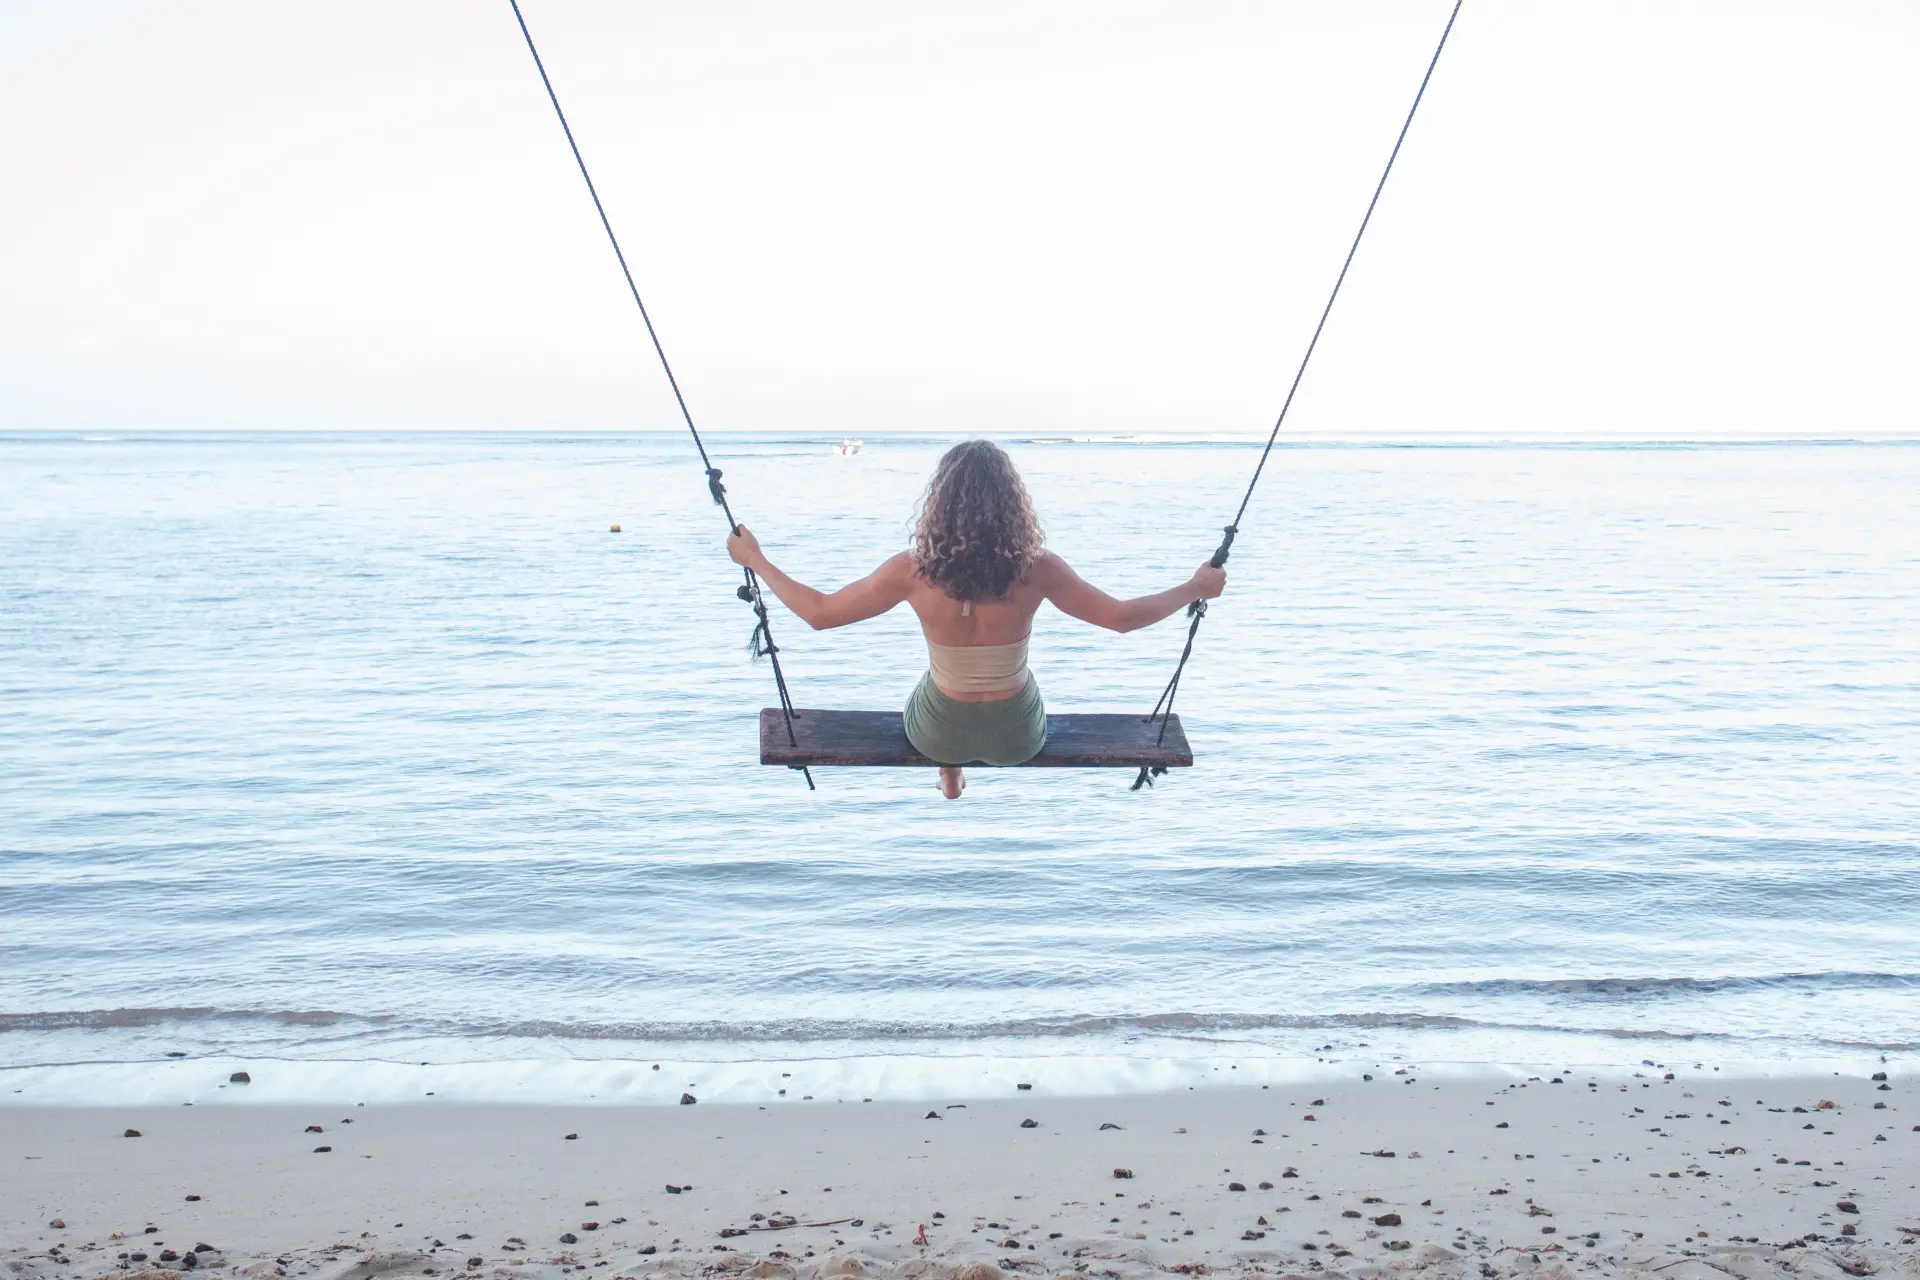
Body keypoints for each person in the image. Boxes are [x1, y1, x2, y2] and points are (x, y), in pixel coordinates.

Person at [727, 439, 1226, 798]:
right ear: (1014, 507)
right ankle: (962, 754)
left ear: (938, 505)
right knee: (1015, 683)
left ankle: (949, 770)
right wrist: (1194, 587)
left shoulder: (912, 571)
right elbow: (1120, 618)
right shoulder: (1040, 571)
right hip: (1017, 740)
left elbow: (819, 614)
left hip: (938, 735)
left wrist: (759, 560)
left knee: (934, 683)